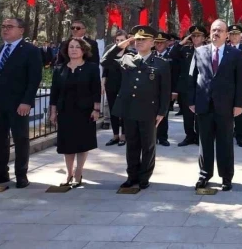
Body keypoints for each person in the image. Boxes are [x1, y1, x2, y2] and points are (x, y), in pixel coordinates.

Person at [0, 18, 42, 189]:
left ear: (21, 30)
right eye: (3, 26)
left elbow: (34, 79)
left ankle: (21, 174)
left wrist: (27, 101)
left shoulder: (30, 51)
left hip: (18, 105)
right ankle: (0, 173)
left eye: (9, 27)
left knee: (20, 139)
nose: (5, 29)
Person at [101, 25, 171, 189]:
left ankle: (144, 177)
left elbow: (165, 90)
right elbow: (105, 60)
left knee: (147, 145)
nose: (139, 42)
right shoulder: (127, 58)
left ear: (152, 42)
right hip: (129, 109)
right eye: (137, 39)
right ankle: (132, 176)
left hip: (149, 110)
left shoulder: (161, 63)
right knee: (132, 145)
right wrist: (124, 43)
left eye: (143, 39)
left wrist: (162, 112)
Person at [189, 20, 242, 191]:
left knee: (225, 142)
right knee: (204, 142)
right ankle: (204, 174)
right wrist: (191, 101)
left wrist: (238, 104)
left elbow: (240, 81)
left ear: (227, 34)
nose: (216, 33)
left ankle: (226, 177)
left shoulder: (235, 54)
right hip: (204, 104)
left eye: (220, 30)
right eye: (213, 30)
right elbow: (192, 78)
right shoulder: (199, 51)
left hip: (226, 106)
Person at [49, 38, 101, 187]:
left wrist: (96, 109)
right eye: (71, 47)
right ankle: (68, 172)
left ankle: (79, 171)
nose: (73, 49)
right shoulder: (60, 69)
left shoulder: (91, 68)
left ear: (83, 50)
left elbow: (96, 91)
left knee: (82, 143)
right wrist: (53, 112)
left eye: (77, 47)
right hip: (65, 111)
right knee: (67, 144)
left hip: (85, 111)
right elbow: (54, 92)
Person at [174, 25, 207, 146]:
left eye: (198, 36)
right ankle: (189, 136)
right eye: (193, 36)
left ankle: (199, 136)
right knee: (187, 116)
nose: (195, 38)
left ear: (204, 38)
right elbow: (172, 55)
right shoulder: (185, 50)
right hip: (185, 88)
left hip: (201, 88)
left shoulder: (208, 50)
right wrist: (181, 43)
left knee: (200, 115)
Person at [103, 30, 133, 147]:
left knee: (124, 112)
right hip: (111, 86)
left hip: (125, 87)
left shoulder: (130, 54)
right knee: (113, 111)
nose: (120, 42)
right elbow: (104, 69)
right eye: (118, 40)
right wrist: (102, 84)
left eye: (122, 40)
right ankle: (115, 135)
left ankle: (124, 135)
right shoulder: (110, 54)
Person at [152, 31, 173, 146]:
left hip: (166, 90)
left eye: (162, 42)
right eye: (157, 42)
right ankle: (153, 136)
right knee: (152, 114)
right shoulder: (151, 55)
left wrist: (174, 91)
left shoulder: (171, 56)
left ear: (167, 43)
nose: (159, 45)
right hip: (152, 90)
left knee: (164, 113)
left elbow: (175, 74)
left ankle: (163, 137)